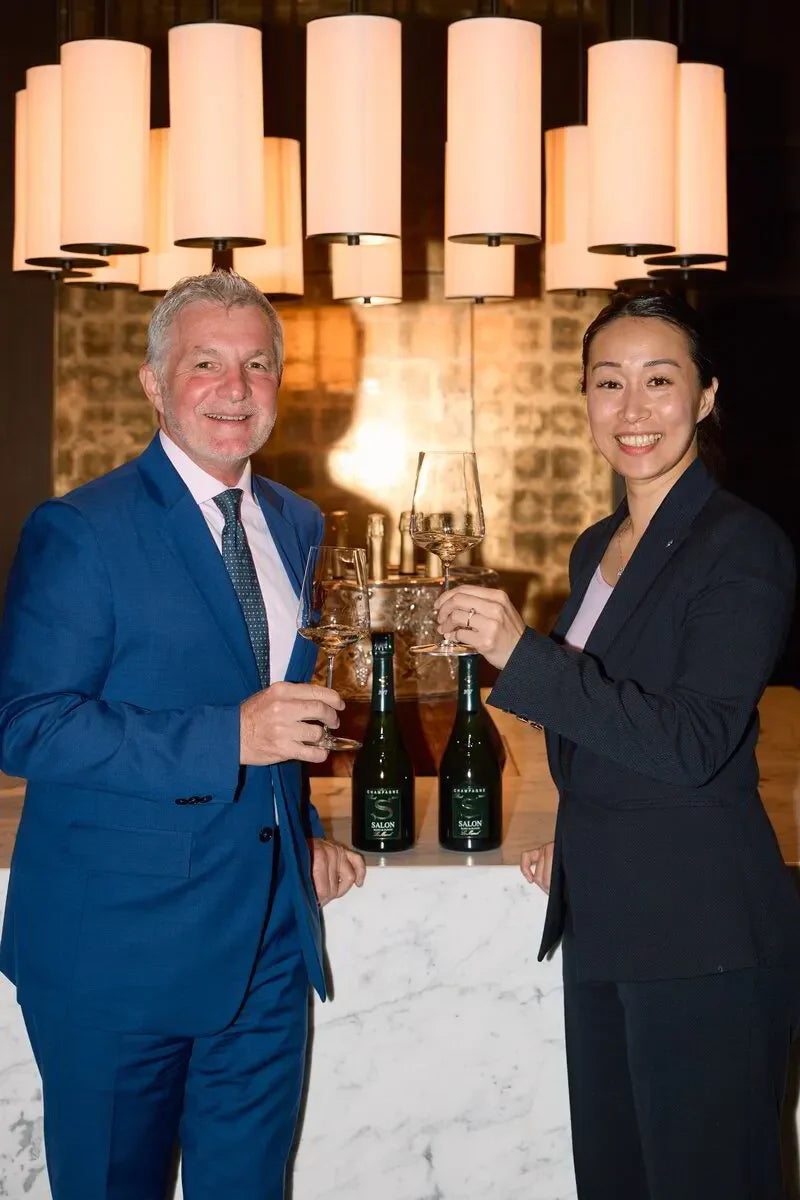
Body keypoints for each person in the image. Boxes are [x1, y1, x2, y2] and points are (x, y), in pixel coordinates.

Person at [0, 271, 366, 1200]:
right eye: (205, 364)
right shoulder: (81, 529)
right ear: (155, 383)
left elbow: (276, 710)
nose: (235, 388)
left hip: (266, 950)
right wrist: (227, 737)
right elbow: (30, 727)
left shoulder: (297, 523)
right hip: (115, 957)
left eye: (257, 366)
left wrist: (304, 833)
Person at [435, 291, 800, 1200]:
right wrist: (588, 825)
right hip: (607, 912)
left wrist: (522, 654)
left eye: (659, 380)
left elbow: (693, 740)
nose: (632, 409)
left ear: (707, 396)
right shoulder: (597, 544)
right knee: (616, 1179)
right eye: (609, 382)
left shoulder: (742, 546)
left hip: (703, 928)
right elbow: (610, 724)